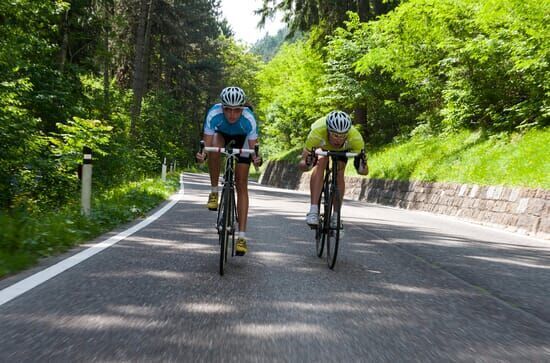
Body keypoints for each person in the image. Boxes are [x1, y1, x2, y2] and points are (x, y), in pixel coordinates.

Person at [196, 86, 262, 256]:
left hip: (243, 140)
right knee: (214, 148)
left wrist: (256, 159)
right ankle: (214, 192)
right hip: (221, 135)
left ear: (243, 108)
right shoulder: (213, 114)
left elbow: (255, 149)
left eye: (237, 110)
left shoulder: (249, 118)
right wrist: (202, 155)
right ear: (222, 107)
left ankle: (242, 237)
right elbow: (206, 144)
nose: (232, 115)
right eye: (228, 110)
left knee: (241, 183)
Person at [298, 110, 368, 227]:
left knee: (340, 172)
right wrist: (308, 163)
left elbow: (364, 172)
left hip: (342, 151)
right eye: (335, 135)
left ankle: (336, 216)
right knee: (321, 161)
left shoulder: (356, 138)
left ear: (348, 133)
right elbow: (302, 165)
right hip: (322, 146)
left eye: (342, 136)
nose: (338, 139)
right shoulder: (317, 132)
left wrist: (362, 166)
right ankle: (313, 211)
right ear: (328, 131)